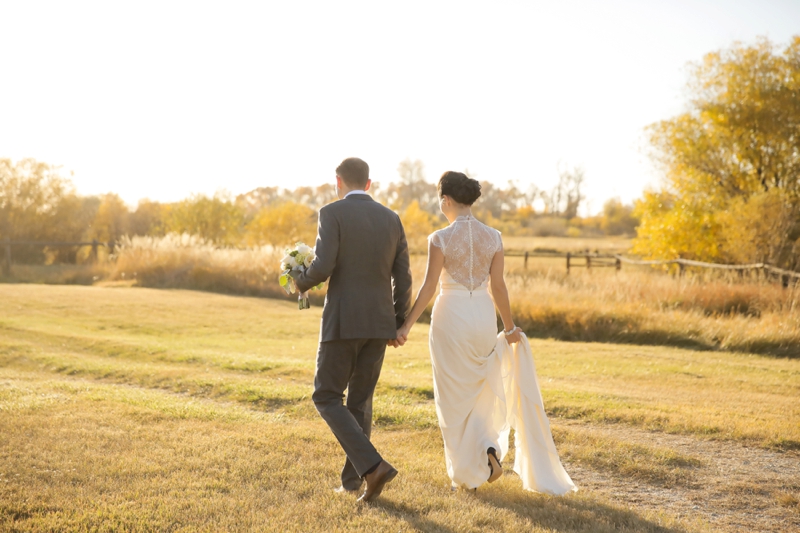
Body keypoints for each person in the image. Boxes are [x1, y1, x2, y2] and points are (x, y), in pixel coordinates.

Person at [396, 171, 576, 494]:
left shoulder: (439, 238)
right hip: (481, 316)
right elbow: (498, 287)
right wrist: (508, 328)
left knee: (452, 398)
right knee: (480, 387)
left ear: (445, 200)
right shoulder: (493, 237)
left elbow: (428, 289)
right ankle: (486, 449)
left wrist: (406, 325)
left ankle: (466, 474)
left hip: (450, 317)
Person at [294, 157, 413, 503]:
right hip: (378, 325)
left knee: (326, 395)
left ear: (338, 182)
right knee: (359, 403)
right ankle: (354, 482)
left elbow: (323, 265)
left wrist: (298, 282)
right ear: (369, 184)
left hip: (343, 322)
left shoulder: (331, 213)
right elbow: (402, 277)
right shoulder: (392, 219)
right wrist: (396, 320)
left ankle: (374, 466)